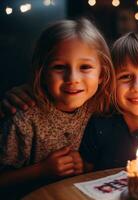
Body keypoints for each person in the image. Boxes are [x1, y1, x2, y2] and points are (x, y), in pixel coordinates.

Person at [0, 18, 115, 196]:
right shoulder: (24, 119)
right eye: (59, 67)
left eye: (85, 67)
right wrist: (41, 170)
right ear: (42, 71)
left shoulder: (96, 107)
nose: (72, 78)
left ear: (102, 73)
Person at [79, 32, 138, 171]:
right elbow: (84, 177)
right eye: (125, 77)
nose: (137, 87)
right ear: (111, 82)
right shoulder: (98, 125)